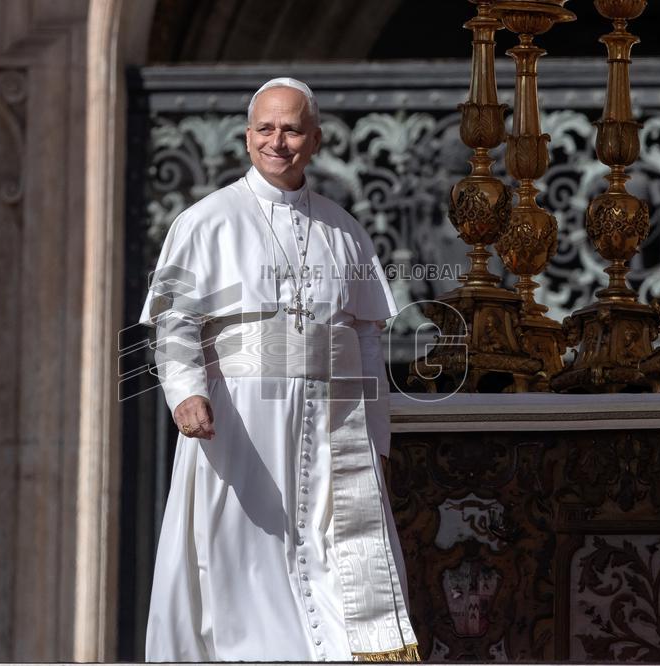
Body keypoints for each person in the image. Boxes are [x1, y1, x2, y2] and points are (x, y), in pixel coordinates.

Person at [140, 77, 418, 662]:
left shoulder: (345, 230)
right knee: (242, 557)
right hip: (242, 420)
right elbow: (176, 322)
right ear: (247, 138)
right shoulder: (204, 221)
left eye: (291, 128)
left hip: (331, 427)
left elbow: (367, 343)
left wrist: (379, 438)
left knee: (332, 557)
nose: (278, 140)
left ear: (313, 138)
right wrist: (186, 393)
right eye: (265, 128)